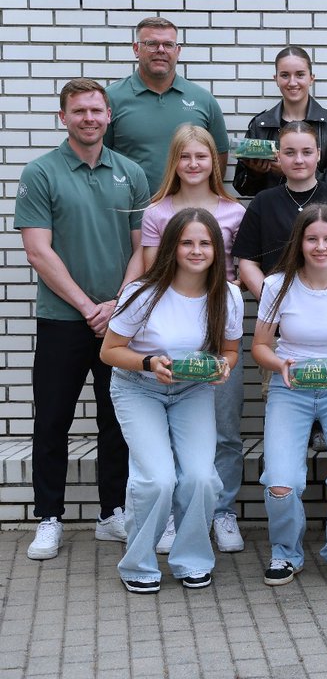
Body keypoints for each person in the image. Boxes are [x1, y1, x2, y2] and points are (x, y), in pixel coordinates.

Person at [17, 78, 150, 561]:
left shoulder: (131, 172)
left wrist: (117, 303)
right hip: (62, 320)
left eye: (96, 110)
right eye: (79, 111)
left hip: (120, 321)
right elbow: (37, 250)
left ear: (108, 116)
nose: (89, 118)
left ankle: (111, 513)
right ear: (63, 117)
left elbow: (144, 249)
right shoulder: (41, 172)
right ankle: (48, 518)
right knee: (52, 420)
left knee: (117, 422)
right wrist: (86, 306)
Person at [100, 208, 242, 593]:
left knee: (201, 477)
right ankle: (138, 565)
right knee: (158, 479)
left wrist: (222, 368)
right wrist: (149, 362)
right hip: (137, 386)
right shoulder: (143, 292)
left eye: (205, 243)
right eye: (187, 243)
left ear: (217, 249)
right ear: (172, 247)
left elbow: (230, 350)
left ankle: (192, 559)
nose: (196, 251)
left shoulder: (226, 294)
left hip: (192, 389)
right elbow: (109, 351)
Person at [252, 204, 327, 586]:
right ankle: (285, 553)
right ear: (300, 242)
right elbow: (260, 346)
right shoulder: (277, 285)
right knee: (280, 480)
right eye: (312, 239)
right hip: (291, 389)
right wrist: (280, 366)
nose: (320, 247)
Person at [141, 126, 247, 554]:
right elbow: (152, 278)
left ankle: (221, 511)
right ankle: (170, 516)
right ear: (175, 163)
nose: (194, 164)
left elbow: (239, 274)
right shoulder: (157, 212)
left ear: (214, 162)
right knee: (167, 434)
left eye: (201, 156)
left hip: (216, 334)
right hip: (167, 336)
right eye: (185, 157)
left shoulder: (234, 213)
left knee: (224, 429)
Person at [232, 121, 327, 301]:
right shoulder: (262, 202)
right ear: (278, 156)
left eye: (307, 152)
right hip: (279, 312)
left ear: (318, 154)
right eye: (290, 152)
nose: (299, 160)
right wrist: (272, 303)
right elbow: (248, 263)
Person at [104, 16, 229, 190]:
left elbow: (219, 156)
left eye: (168, 45)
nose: (160, 50)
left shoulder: (203, 99)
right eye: (151, 44)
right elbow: (98, 155)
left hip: (188, 212)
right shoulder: (110, 99)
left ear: (177, 51)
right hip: (129, 210)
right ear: (136, 49)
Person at [234, 46, 327, 197]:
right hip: (274, 213)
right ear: (276, 79)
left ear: (311, 78)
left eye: (300, 75)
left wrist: (289, 169)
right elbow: (242, 187)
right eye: (285, 75)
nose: (292, 82)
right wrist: (256, 172)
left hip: (319, 214)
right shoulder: (260, 125)